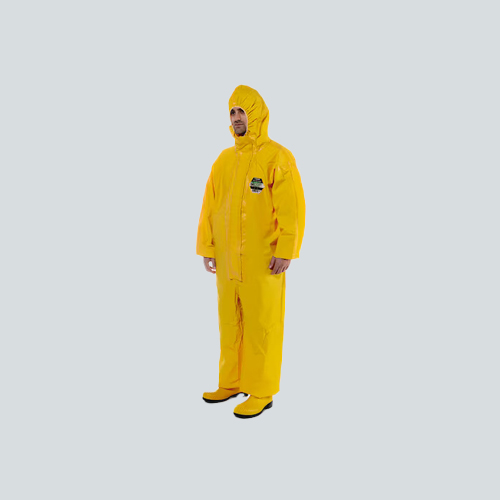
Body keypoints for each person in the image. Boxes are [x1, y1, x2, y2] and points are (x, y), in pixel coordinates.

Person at [196, 85, 306, 419]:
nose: (236, 118)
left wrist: (286, 249)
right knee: (230, 323)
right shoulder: (224, 161)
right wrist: (208, 247)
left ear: (255, 115)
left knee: (262, 325)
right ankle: (231, 382)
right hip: (228, 262)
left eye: (241, 111)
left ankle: (261, 390)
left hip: (263, 262)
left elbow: (292, 209)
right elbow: (210, 206)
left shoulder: (277, 157)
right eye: (232, 112)